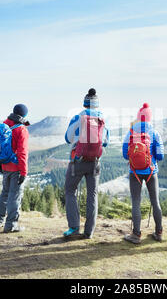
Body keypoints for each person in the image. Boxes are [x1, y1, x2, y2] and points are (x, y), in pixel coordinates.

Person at [63, 88, 109, 239]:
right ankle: (89, 231)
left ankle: (74, 226)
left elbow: (68, 138)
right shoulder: (102, 119)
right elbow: (106, 142)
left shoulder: (78, 117)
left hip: (78, 161)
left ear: (84, 103)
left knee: (70, 191)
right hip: (95, 162)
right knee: (92, 195)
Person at [123, 103, 164, 244]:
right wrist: (151, 159)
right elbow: (160, 156)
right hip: (151, 172)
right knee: (155, 201)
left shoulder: (131, 132)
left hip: (134, 172)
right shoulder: (155, 133)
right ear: (150, 118)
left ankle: (136, 235)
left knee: (136, 202)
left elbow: (124, 154)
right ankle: (159, 233)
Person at [0, 104, 30, 233]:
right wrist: (24, 172)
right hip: (16, 168)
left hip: (4, 165)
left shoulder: (4, 125)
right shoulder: (21, 129)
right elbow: (22, 152)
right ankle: (11, 225)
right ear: (24, 115)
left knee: (5, 193)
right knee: (14, 196)